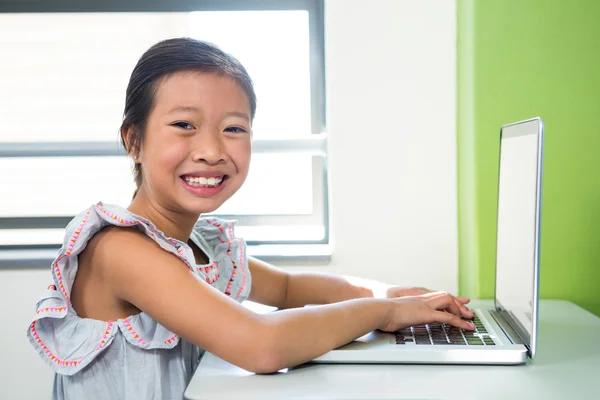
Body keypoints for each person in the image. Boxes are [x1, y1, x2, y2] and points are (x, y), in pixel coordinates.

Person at [26, 37, 475, 399]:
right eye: (184, 125)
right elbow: (263, 345)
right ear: (134, 141)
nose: (212, 150)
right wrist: (382, 311)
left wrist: (386, 291)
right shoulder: (119, 249)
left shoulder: (199, 245)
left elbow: (286, 288)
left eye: (234, 128)